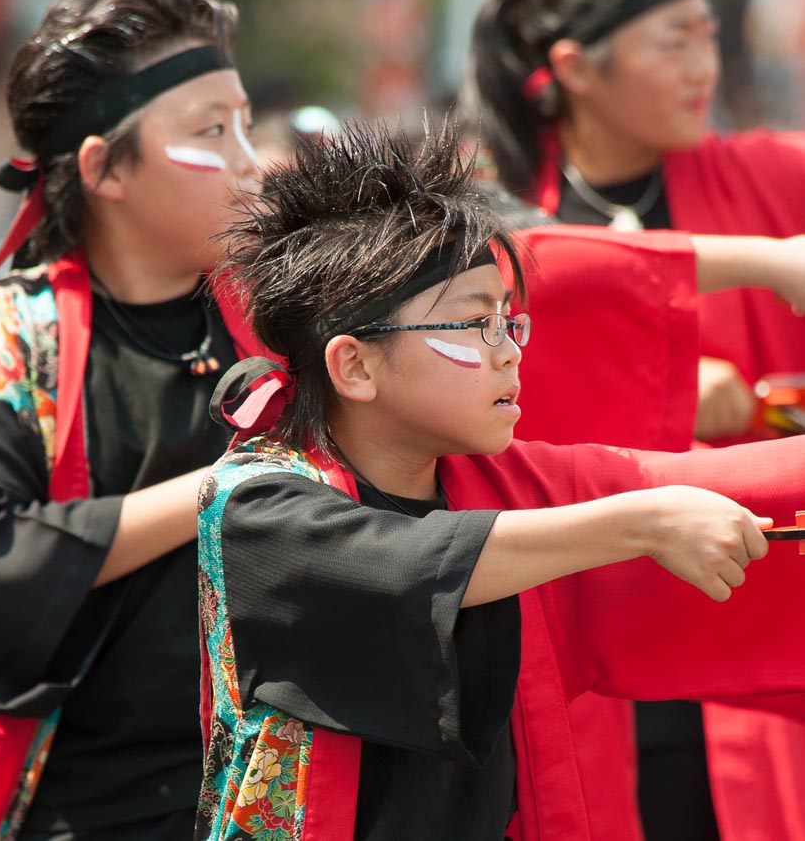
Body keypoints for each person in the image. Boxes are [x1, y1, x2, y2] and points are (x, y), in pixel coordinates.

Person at [194, 119, 805, 841]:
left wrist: (655, 504)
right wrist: (643, 520)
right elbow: (410, 562)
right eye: (469, 325)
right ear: (353, 365)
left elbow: (711, 479)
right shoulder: (255, 503)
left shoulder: (496, 481)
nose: (509, 352)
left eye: (508, 321)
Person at [0, 0, 262, 841]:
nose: (251, 164)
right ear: (105, 168)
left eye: (247, 126)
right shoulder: (11, 338)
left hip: (269, 797)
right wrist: (215, 492)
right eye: (213, 131)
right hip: (79, 809)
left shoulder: (279, 315)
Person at [463, 0, 805, 835]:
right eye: (673, 43)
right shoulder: (489, 209)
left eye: (709, 37)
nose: (705, 67)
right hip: (582, 606)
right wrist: (657, 393)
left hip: (748, 606)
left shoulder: (768, 176)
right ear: (575, 66)